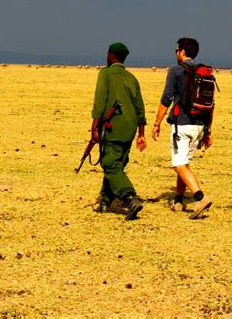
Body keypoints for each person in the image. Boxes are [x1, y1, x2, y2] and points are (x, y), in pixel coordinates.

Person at [151, 37, 213, 219]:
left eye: (176, 50)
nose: (175, 53)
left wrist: (157, 123)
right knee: (184, 162)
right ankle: (178, 200)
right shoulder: (203, 72)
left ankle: (199, 197)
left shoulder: (176, 71)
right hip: (200, 126)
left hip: (182, 124)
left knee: (178, 164)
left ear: (182, 51)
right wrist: (208, 131)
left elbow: (166, 99)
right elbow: (211, 105)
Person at [91, 42, 147, 220]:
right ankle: (105, 202)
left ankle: (130, 198)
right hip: (129, 128)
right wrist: (141, 133)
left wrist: (94, 128)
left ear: (112, 56)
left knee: (110, 164)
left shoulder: (106, 74)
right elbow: (140, 107)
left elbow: (100, 102)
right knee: (117, 163)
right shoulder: (132, 78)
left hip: (113, 127)